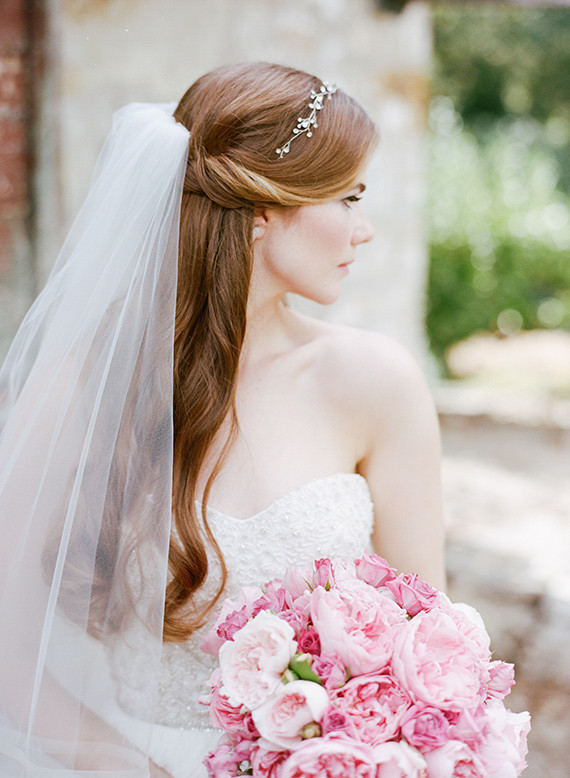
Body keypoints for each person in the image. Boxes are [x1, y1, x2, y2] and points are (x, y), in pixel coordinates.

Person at [0, 62, 444, 778]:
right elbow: (7, 647)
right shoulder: (81, 385)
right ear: (263, 210)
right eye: (347, 197)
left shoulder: (375, 382)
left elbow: (433, 642)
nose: (363, 231)